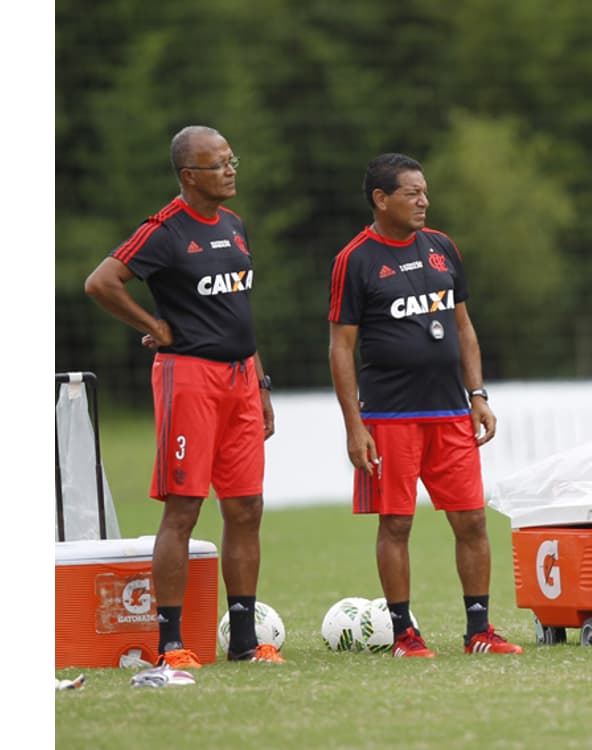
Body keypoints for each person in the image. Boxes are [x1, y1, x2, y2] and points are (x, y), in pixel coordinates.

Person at [84, 125, 283, 667]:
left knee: (246, 507)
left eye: (231, 159)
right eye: (218, 163)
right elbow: (101, 282)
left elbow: (238, 311)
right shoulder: (164, 230)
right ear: (189, 175)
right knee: (184, 509)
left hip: (242, 379)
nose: (231, 168)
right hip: (190, 378)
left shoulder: (236, 226)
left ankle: (244, 641)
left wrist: (261, 383)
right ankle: (170, 644)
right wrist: (154, 325)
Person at [327, 152, 521, 658]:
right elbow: (341, 348)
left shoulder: (442, 248)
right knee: (396, 523)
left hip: (450, 413)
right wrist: (354, 425)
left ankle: (479, 630)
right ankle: (404, 635)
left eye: (425, 191)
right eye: (412, 192)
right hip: (389, 417)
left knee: (472, 520)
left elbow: (463, 328)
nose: (423, 201)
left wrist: (476, 394)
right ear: (380, 198)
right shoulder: (355, 259)